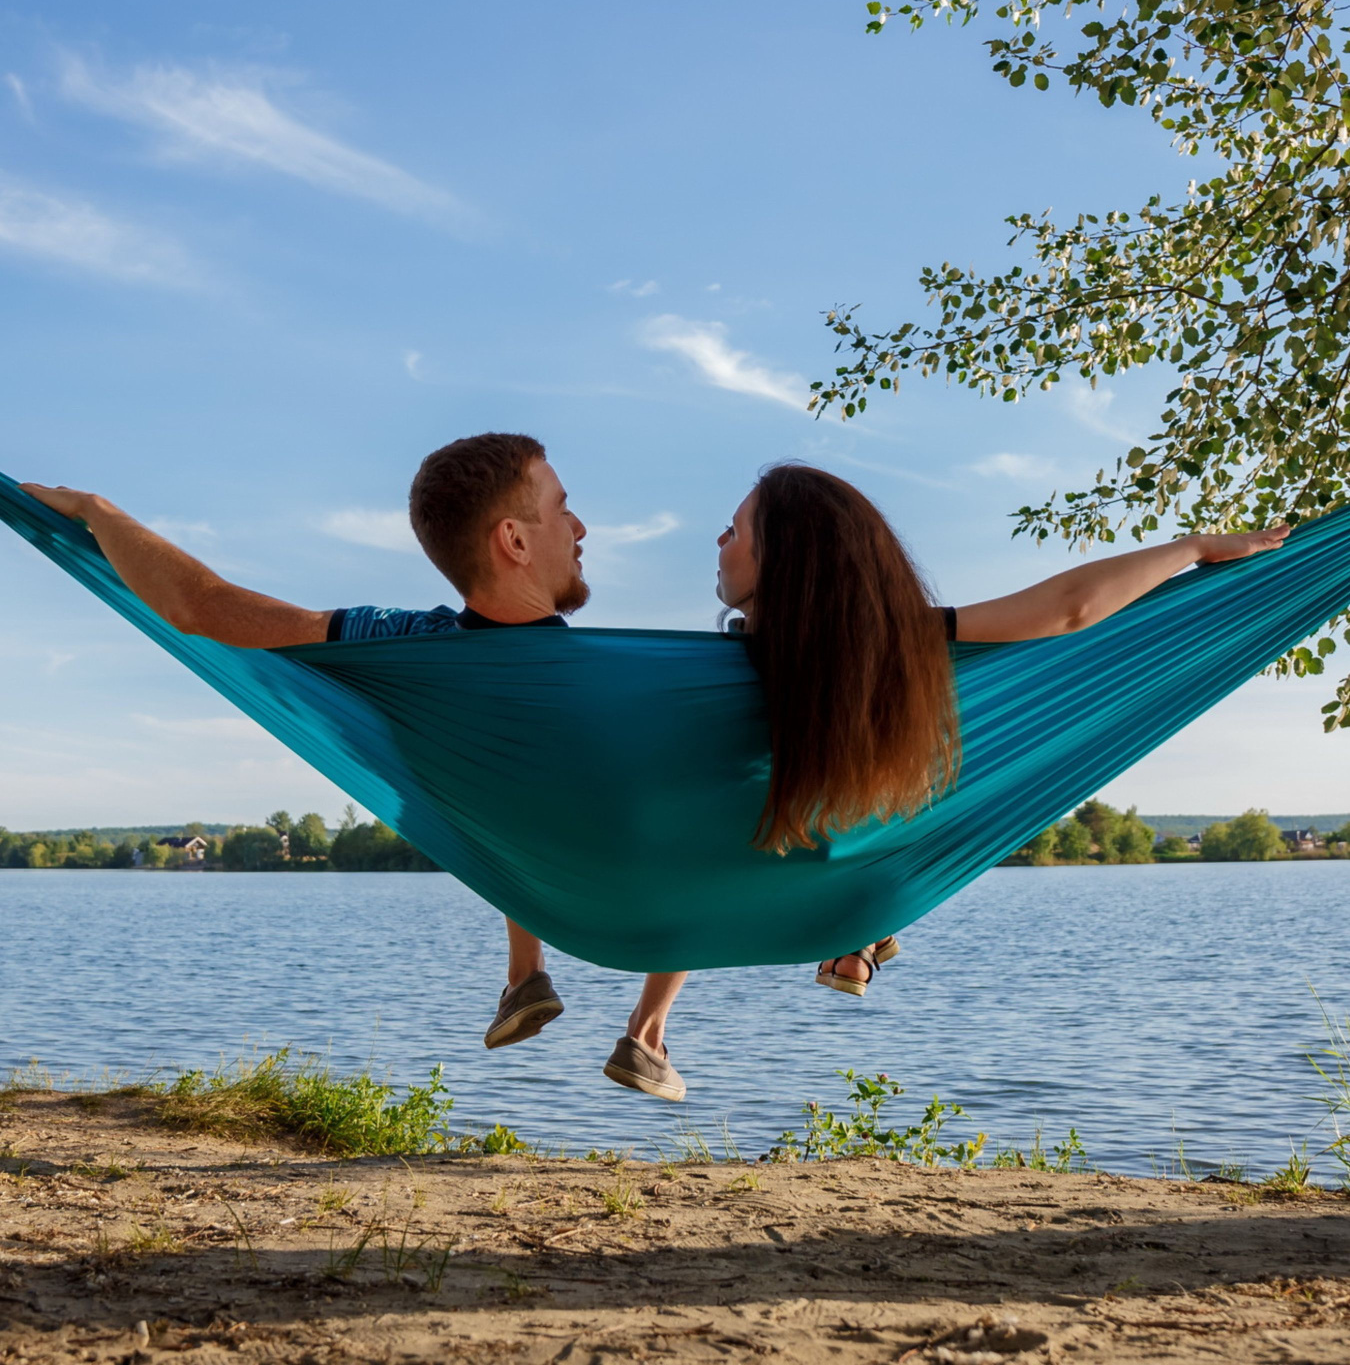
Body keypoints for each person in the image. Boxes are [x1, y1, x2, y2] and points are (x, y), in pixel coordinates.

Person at [21, 433, 690, 1102]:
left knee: (522, 800)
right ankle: (648, 1028)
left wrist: (98, 512)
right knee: (705, 795)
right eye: (563, 509)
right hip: (644, 886)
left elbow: (204, 606)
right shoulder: (620, 680)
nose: (581, 526)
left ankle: (525, 975)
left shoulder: (405, 647)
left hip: (522, 862)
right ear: (514, 541)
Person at [711, 463, 1290, 997]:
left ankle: (666, 1022)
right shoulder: (901, 641)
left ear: (785, 558)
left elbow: (1073, 607)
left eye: (734, 532)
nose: (719, 542)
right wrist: (1195, 546)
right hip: (832, 854)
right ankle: (861, 925)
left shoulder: (705, 677)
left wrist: (1196, 546)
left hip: (761, 863)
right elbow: (1070, 608)